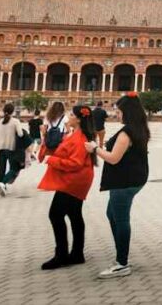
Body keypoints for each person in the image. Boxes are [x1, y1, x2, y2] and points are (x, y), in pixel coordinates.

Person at [86, 94, 149, 279]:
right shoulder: (139, 129)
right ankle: (121, 254)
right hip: (133, 179)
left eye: (119, 111)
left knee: (120, 219)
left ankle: (122, 263)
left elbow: (113, 159)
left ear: (127, 112)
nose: (116, 114)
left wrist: (95, 149)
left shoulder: (126, 133)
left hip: (124, 181)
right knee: (112, 214)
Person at [38, 104, 97, 270]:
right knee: (74, 213)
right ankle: (77, 253)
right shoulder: (78, 134)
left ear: (78, 119)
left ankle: (62, 254)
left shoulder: (80, 138)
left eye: (71, 115)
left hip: (73, 181)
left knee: (55, 215)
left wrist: (51, 160)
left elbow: (75, 163)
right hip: (77, 179)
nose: (68, 117)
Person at [0, 102, 29, 195]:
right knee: (14, 168)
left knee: (2, 168)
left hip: (0, 148)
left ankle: (2, 187)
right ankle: (2, 183)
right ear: (13, 111)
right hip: (11, 148)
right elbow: (20, 134)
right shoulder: (15, 121)